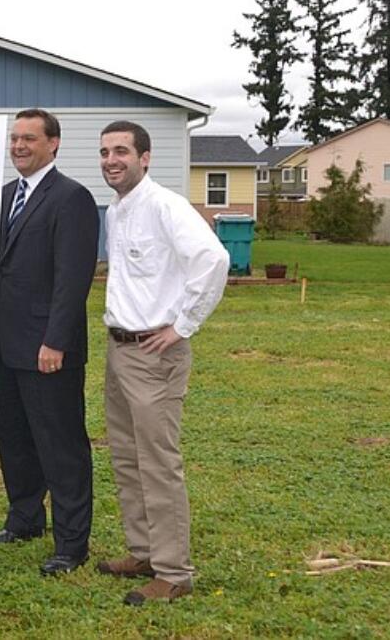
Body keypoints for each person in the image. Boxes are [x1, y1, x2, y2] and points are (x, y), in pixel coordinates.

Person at [96, 120, 228, 605]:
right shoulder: (116, 211)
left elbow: (213, 261)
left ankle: (173, 573)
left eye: (122, 152)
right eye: (105, 152)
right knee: (127, 457)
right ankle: (144, 552)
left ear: (145, 158)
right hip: (120, 349)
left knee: (157, 462)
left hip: (156, 354)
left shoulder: (166, 207)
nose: (112, 160)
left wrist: (181, 326)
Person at [0, 109, 100, 576]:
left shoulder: (71, 198)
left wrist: (56, 341)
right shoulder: (5, 196)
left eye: (29, 138)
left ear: (54, 144)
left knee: (60, 446)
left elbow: (73, 279)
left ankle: (72, 544)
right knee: (14, 439)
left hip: (48, 350)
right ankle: (24, 519)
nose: (19, 146)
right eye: (14, 139)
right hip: (3, 347)